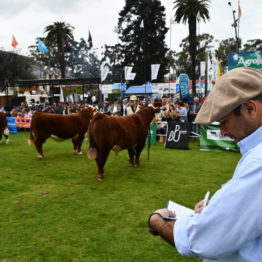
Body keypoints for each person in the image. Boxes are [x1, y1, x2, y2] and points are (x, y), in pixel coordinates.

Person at [148, 67, 262, 262]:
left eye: (224, 121)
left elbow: (205, 240)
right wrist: (215, 209)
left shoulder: (258, 162)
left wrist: (157, 221)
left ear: (250, 109)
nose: (223, 132)